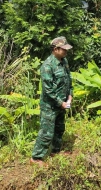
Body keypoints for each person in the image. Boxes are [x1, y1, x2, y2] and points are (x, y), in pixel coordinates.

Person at [31, 37, 73, 167]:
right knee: (46, 132)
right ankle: (36, 158)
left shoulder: (64, 61)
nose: (66, 52)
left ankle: (56, 150)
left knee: (59, 128)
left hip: (63, 103)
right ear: (55, 49)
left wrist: (70, 96)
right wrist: (61, 102)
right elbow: (48, 90)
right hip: (50, 105)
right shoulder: (47, 66)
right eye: (63, 49)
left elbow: (68, 80)